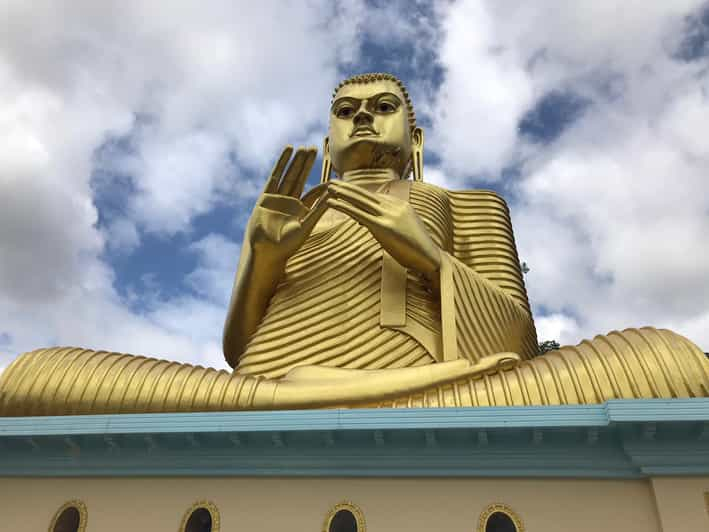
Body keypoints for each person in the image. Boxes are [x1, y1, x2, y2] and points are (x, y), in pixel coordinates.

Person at [0, 73, 706, 415]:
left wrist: (422, 253)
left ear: (415, 136)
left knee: (663, 362)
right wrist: (264, 261)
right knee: (35, 373)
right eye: (345, 112)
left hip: (446, 395)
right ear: (331, 138)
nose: (362, 118)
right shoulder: (289, 214)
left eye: (381, 107)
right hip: (263, 393)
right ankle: (314, 404)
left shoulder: (464, 204)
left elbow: (515, 344)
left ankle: (336, 403)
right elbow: (242, 352)